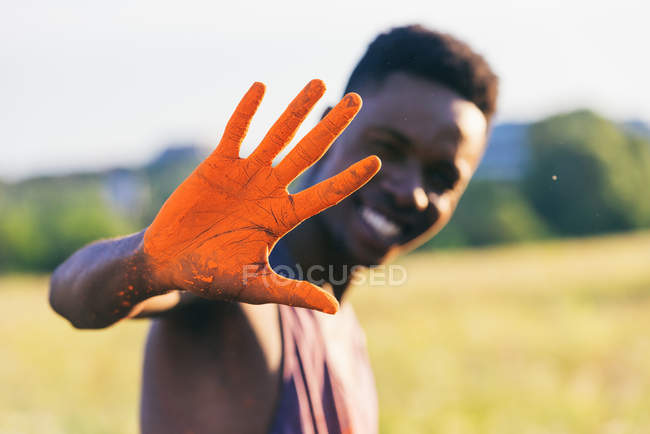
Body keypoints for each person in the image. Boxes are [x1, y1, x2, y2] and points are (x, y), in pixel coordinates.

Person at [49, 25, 498, 433]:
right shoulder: (233, 286)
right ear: (329, 130)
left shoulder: (341, 325)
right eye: (388, 149)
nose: (412, 193)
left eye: (441, 178)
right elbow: (71, 296)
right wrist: (149, 261)